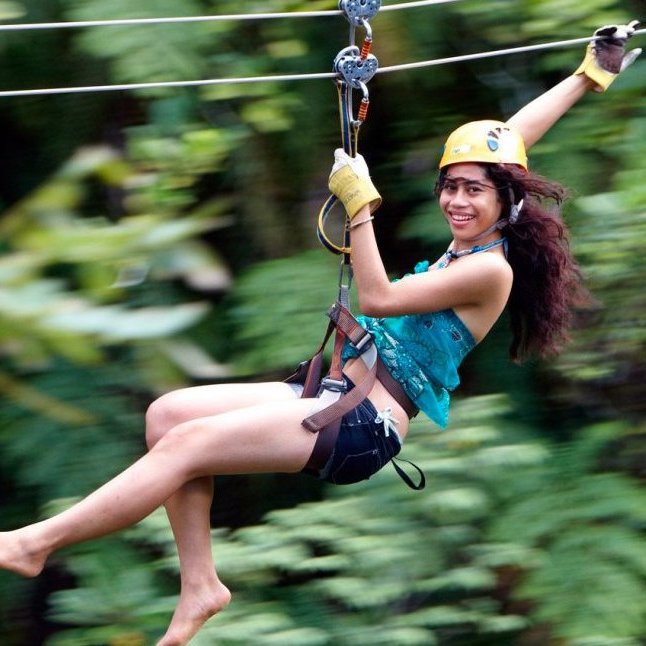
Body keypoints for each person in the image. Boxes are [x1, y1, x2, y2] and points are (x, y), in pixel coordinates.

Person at [0, 21, 640, 646]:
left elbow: (378, 297)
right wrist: (588, 77)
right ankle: (201, 585)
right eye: (450, 187)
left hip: (365, 426)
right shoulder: (475, 231)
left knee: (190, 443)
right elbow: (511, 139)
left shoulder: (488, 271)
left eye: (474, 191)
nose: (457, 201)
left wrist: (358, 206)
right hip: (334, 389)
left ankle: (34, 544)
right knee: (169, 414)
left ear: (507, 201)